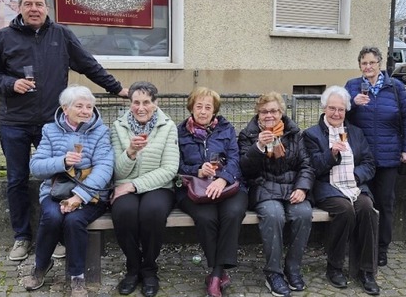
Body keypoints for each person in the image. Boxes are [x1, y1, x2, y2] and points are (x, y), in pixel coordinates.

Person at [0, 0, 127, 262]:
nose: (34, 8)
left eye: (39, 4)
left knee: (64, 174)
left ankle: (58, 235)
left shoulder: (62, 35)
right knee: (17, 180)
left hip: (53, 122)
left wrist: (117, 88)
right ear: (20, 8)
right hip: (15, 122)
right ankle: (22, 237)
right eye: (29, 4)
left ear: (46, 8)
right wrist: (11, 84)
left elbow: (88, 64)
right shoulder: (4, 37)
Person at [24, 85, 113, 296]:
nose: (85, 111)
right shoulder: (50, 130)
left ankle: (77, 277)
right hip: (56, 191)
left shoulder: (101, 131)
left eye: (89, 106)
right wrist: (62, 161)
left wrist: (79, 197)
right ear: (65, 108)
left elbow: (105, 167)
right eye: (79, 106)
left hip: (90, 194)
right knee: (53, 216)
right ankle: (41, 266)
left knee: (74, 221)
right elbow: (36, 167)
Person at [302, 86, 380, 295]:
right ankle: (334, 266)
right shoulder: (311, 134)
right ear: (324, 108)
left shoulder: (355, 132)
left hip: (353, 185)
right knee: (345, 210)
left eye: (341, 109)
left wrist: (355, 177)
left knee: (366, 208)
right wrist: (332, 153)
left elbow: (369, 163)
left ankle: (366, 271)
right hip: (327, 187)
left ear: (346, 111)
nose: (336, 114)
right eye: (332, 109)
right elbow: (313, 168)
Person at [238, 92, 314, 297]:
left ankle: (293, 267)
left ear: (281, 112)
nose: (269, 115)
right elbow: (245, 169)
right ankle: (274, 273)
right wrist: (259, 147)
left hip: (292, 188)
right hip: (263, 188)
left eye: (273, 111)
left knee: (303, 214)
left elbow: (306, 164)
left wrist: (302, 188)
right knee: (274, 215)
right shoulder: (248, 134)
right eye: (264, 112)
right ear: (258, 114)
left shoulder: (294, 133)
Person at [344, 46, 406, 267]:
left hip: (388, 156)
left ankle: (381, 247)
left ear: (380, 63)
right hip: (361, 158)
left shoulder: (395, 87)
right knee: (360, 203)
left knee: (385, 204)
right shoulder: (352, 86)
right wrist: (352, 106)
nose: (368, 67)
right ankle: (358, 243)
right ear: (359, 66)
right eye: (364, 63)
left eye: (372, 63)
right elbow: (339, 115)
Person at [177, 87, 248, 297]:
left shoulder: (226, 129)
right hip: (194, 189)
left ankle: (216, 275)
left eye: (208, 107)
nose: (203, 111)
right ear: (191, 107)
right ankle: (219, 274)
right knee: (206, 217)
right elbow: (175, 164)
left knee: (232, 213)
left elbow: (236, 159)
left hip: (229, 186)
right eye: (199, 106)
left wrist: (223, 178)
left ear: (214, 110)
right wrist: (197, 170)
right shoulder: (179, 132)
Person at [110, 81, 179, 297]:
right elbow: (118, 173)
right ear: (130, 103)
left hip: (158, 186)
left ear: (155, 103)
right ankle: (133, 268)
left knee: (152, 212)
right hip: (124, 184)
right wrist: (130, 152)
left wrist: (134, 185)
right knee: (124, 212)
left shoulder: (168, 126)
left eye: (146, 102)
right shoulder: (118, 126)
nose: (141, 107)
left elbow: (169, 169)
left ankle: (149, 269)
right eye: (136, 102)